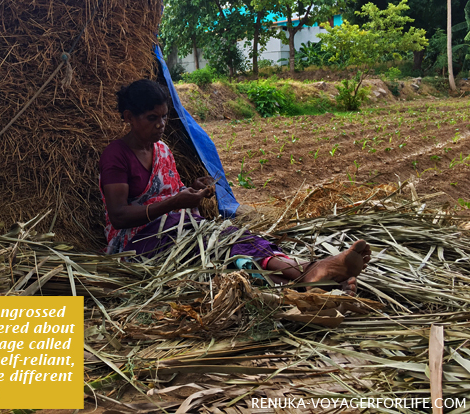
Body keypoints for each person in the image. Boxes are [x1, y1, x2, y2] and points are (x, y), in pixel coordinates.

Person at [99, 79, 371, 294]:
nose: (160, 125)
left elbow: (172, 192)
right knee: (215, 243)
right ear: (129, 117)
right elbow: (119, 216)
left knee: (231, 235)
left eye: (164, 117)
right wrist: (174, 203)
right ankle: (310, 271)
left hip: (178, 227)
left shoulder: (163, 150)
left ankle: (308, 281)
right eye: (151, 118)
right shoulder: (117, 155)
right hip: (136, 244)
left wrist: (193, 189)